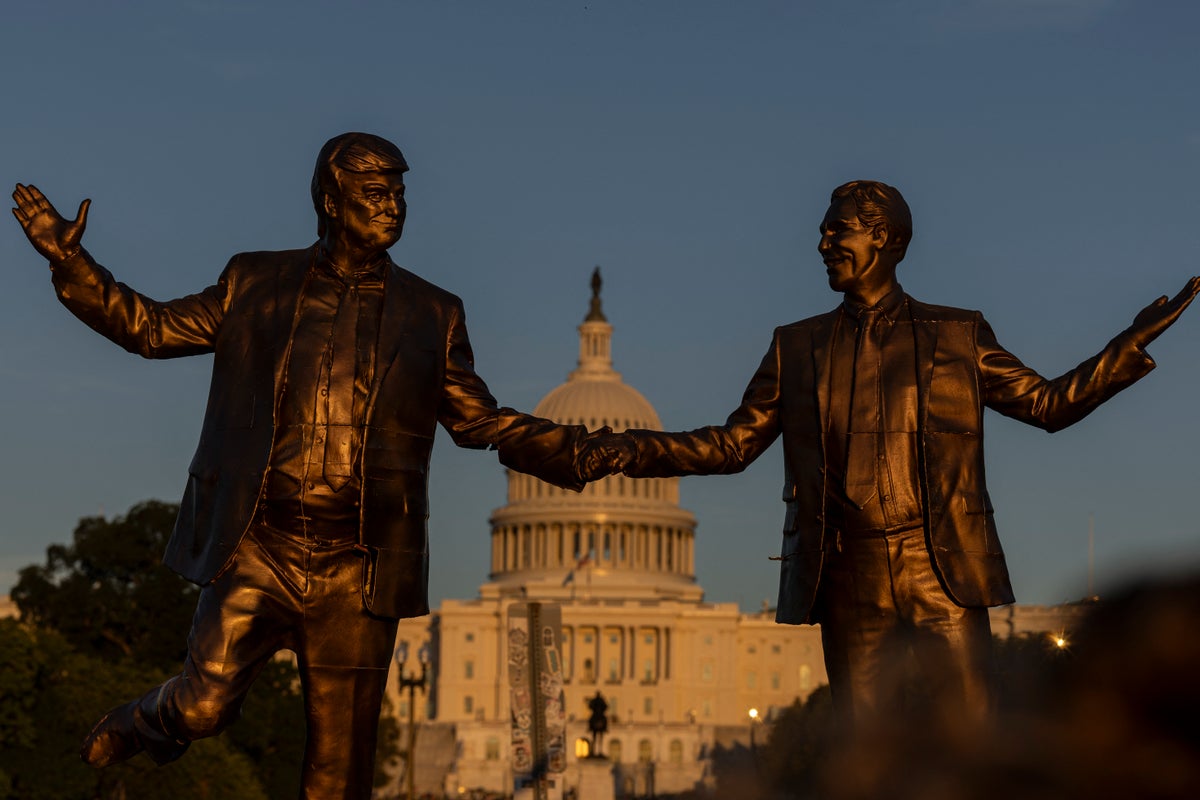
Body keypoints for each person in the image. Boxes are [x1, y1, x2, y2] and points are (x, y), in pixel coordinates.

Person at [12, 132, 603, 798]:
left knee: (338, 778)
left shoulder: (433, 313)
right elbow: (149, 328)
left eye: (399, 193)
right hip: (259, 544)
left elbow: (482, 423)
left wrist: (601, 451)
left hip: (358, 566)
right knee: (203, 708)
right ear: (331, 199)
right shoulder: (255, 282)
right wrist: (71, 261)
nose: (394, 207)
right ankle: (147, 721)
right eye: (375, 193)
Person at [583, 180, 1200, 726]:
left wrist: (1128, 346)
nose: (822, 244)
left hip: (941, 569)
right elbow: (731, 445)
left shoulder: (956, 335)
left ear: (881, 237)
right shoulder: (795, 347)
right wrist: (616, 450)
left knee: (971, 738)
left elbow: (1047, 405)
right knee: (864, 754)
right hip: (848, 575)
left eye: (837, 231)